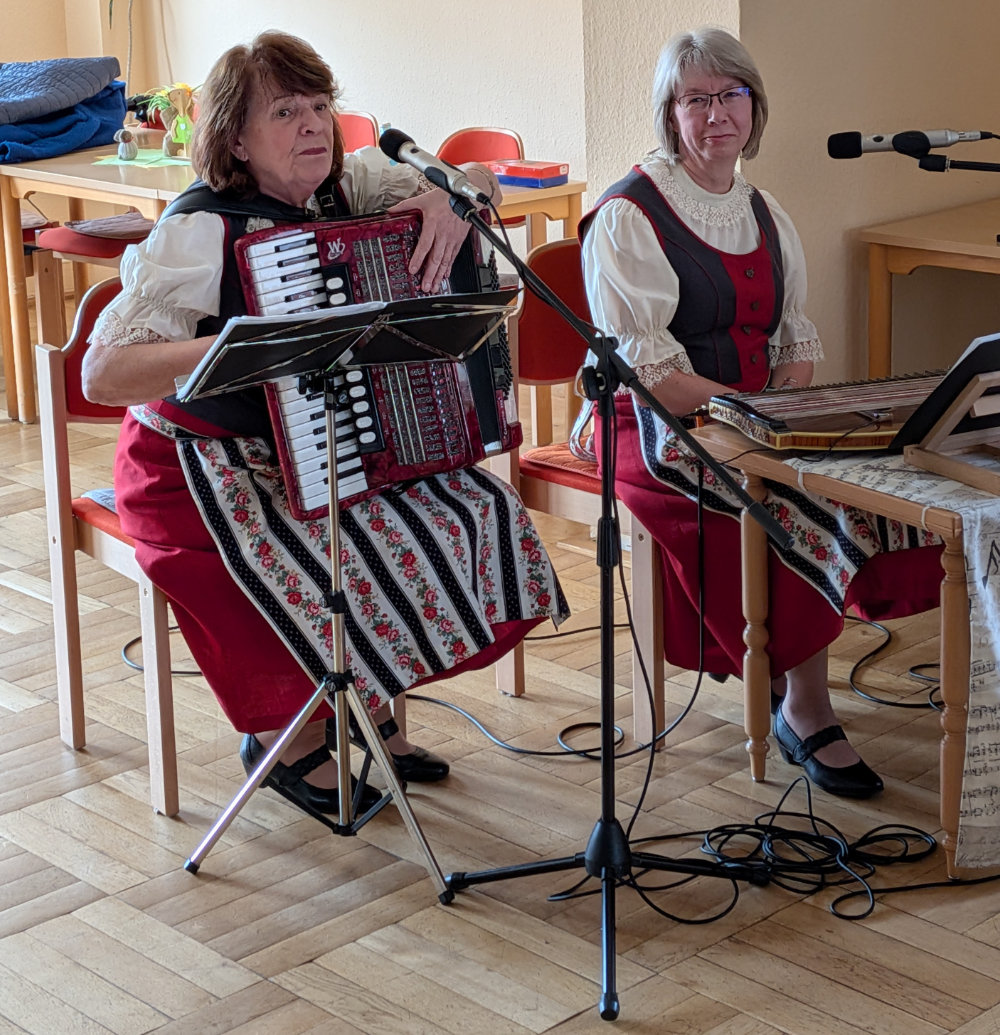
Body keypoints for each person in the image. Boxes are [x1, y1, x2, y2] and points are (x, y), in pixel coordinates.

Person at [82, 30, 568, 818]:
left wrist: (451, 197)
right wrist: (238, 348)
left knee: (469, 508)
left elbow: (484, 178)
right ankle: (292, 739)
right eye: (285, 111)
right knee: (311, 552)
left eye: (319, 106)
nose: (313, 124)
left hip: (316, 438)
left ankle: (369, 707)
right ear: (236, 137)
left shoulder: (353, 185)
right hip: (196, 462)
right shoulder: (201, 227)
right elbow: (102, 373)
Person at [580, 27, 942, 799]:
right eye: (696, 99)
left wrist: (785, 417)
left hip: (750, 414)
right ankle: (804, 709)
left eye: (731, 95)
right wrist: (750, 421)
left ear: (755, 107)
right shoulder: (628, 215)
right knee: (775, 511)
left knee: (852, 483)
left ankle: (800, 680)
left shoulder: (766, 211)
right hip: (650, 421)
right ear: (670, 114)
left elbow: (793, 340)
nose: (716, 113)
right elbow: (649, 372)